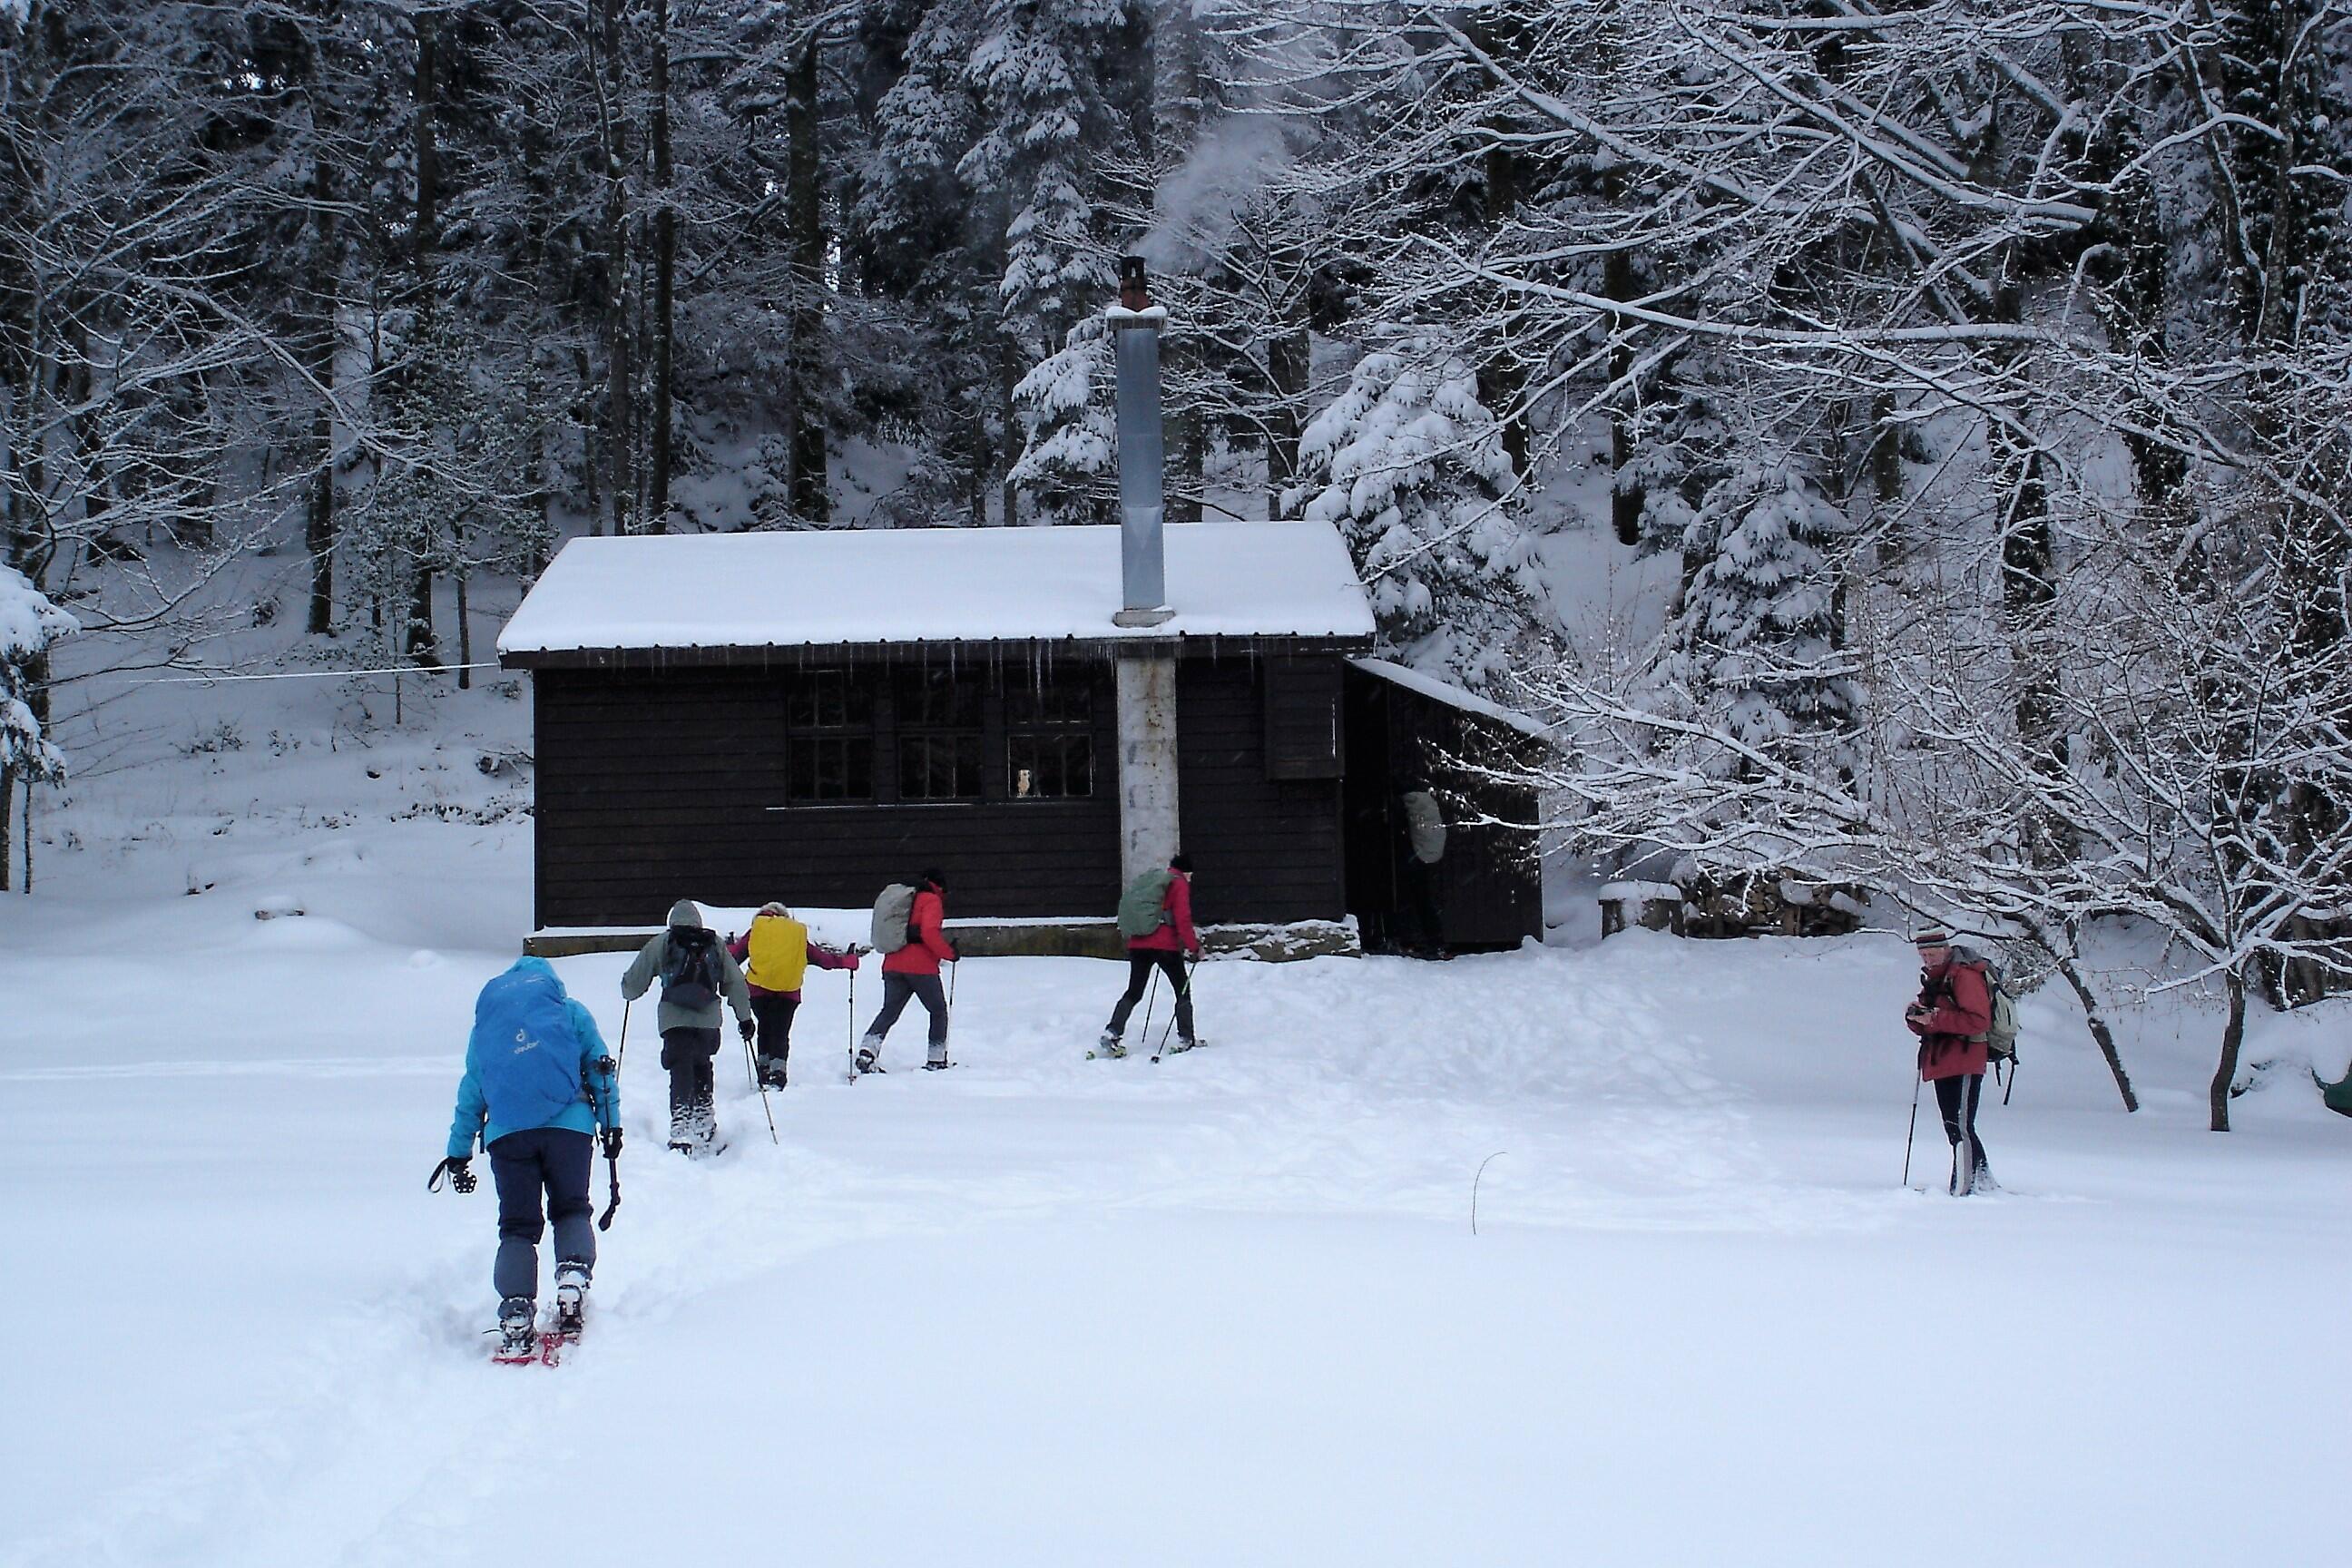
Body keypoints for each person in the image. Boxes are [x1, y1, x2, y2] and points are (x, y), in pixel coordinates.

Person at [441, 956, 620, 1358]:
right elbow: (600, 1071)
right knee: (571, 1208)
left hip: (508, 1136)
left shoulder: (487, 1030)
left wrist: (458, 1152)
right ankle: (572, 1278)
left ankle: (517, 1312)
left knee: (517, 1227)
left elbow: (472, 1091)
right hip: (570, 1130)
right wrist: (612, 1126)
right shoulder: (570, 1013)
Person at [622, 898, 754, 1154]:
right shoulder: (713, 944)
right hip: (708, 1021)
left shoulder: (663, 942)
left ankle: (681, 1125)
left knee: (680, 1067)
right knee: (702, 1063)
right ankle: (704, 1120)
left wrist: (627, 989)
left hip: (674, 1020)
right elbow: (735, 982)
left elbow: (635, 983)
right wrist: (745, 1018)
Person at [727, 902, 859, 1088]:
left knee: (765, 1026)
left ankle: (763, 1069)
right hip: (788, 993)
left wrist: (725, 951)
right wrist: (848, 961)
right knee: (781, 1031)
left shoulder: (756, 932)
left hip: (757, 991)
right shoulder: (795, 935)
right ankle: (778, 1073)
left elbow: (733, 957)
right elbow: (823, 959)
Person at [1906, 929, 1994, 1195]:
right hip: (1943, 1059)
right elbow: (1932, 1021)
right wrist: (1916, 1019)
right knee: (1955, 1126)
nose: (1928, 959)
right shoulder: (1937, 978)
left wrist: (1933, 1018)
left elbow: (1979, 1021)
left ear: (1945, 949)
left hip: (1965, 1058)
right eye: (1923, 955)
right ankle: (1981, 1182)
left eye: (1932, 953)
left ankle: (1965, 1188)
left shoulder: (1964, 976)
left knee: (1960, 1127)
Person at [1099, 852, 1203, 1057]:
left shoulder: (1155, 882)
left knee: (1134, 991)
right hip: (1165, 946)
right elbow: (1183, 919)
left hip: (1138, 944)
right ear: (1186, 872)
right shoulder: (1179, 883)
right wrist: (1195, 947)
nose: (1190, 880)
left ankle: (1112, 1032)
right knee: (1182, 990)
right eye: (1191, 875)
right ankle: (1186, 1037)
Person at [859, 868, 956, 1071]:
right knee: (938, 1011)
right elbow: (929, 933)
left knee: (890, 1011)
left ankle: (868, 1051)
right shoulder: (930, 900)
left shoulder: (903, 898)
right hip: (920, 967)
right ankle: (936, 1059)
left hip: (892, 963)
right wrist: (950, 953)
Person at [1396, 783, 1447, 956]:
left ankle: (1412, 940)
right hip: (1425, 858)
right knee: (1425, 900)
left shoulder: (1404, 804)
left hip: (1413, 859)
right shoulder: (1426, 803)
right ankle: (1435, 941)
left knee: (1414, 899)